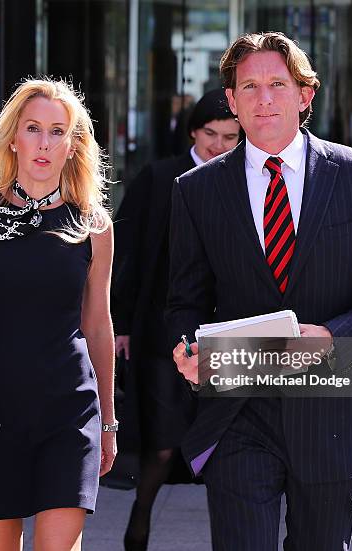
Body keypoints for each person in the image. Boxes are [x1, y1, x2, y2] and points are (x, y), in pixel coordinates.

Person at [167, 32, 352, 550]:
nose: (263, 99)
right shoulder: (197, 190)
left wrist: (332, 336)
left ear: (305, 95)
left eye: (278, 84)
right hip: (238, 410)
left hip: (329, 413)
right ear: (231, 101)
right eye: (248, 86)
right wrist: (187, 349)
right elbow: (185, 300)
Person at [0, 77, 116, 551]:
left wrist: (109, 420)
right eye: (33, 128)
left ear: (74, 145)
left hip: (69, 409)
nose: (44, 143)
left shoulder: (93, 224)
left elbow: (97, 323)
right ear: (13, 136)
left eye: (58, 131)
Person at [112, 88, 241, 551]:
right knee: (163, 443)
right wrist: (120, 324)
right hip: (162, 331)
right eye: (211, 133)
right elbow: (126, 254)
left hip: (226, 330)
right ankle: (139, 522)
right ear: (192, 131)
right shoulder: (160, 175)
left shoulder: (245, 178)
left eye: (230, 136)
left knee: (225, 447)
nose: (219, 145)